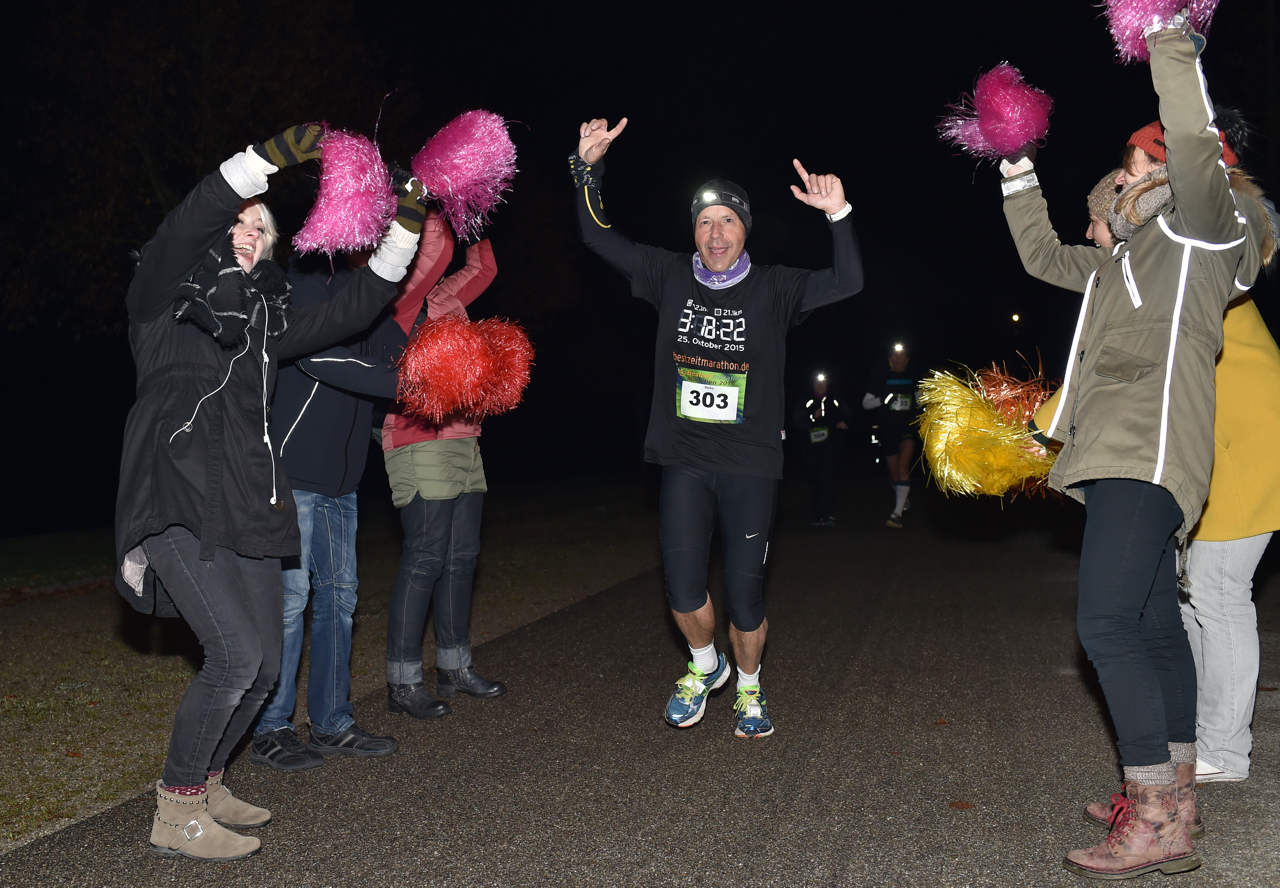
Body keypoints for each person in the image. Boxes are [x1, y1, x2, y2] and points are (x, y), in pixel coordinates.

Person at [1002, 17, 1275, 879]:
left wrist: (1165, 36)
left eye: (1134, 165)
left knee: (1106, 625)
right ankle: (1179, 800)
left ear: (1175, 170)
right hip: (1134, 456)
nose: (1119, 179)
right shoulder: (1132, 259)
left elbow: (1191, 139)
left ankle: (1152, 813)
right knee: (1156, 629)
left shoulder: (1201, 232)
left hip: (1146, 453)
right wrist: (1014, 159)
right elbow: (1044, 253)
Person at [114, 127, 427, 860]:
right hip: (175, 495)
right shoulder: (159, 298)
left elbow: (355, 308)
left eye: (264, 227)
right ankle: (176, 807)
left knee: (261, 666)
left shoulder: (263, 325)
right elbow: (189, 217)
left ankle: (212, 778)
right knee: (232, 654)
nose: (252, 232)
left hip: (250, 501)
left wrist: (406, 223)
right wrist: (269, 160)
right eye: (241, 221)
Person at [571, 116, 864, 737]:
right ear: (694, 234)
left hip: (751, 461)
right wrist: (588, 170)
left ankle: (750, 687)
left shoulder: (775, 288)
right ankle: (706, 667)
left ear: (745, 230)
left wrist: (837, 214)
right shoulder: (667, 274)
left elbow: (848, 281)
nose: (714, 231)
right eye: (704, 221)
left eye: (727, 219)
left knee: (744, 596)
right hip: (684, 455)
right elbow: (597, 237)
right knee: (681, 587)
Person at [247, 247, 407, 772]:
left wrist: (451, 366)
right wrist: (406, 384)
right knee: (290, 603)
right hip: (293, 474)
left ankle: (333, 721)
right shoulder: (306, 281)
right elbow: (317, 355)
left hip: (344, 481)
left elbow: (401, 355)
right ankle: (272, 725)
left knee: (340, 600)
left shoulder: (375, 293)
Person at [381, 215, 508, 719]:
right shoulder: (399, 296)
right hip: (416, 439)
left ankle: (454, 668)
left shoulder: (446, 300)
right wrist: (440, 202)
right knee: (427, 555)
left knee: (462, 556)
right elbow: (435, 250)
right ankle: (402, 680)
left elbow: (484, 265)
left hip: (465, 437)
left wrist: (475, 215)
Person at [863, 344, 920, 528]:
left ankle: (896, 515)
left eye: (901, 355)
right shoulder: (881, 377)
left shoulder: (913, 378)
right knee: (894, 475)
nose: (898, 359)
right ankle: (902, 499)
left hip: (908, 429)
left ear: (906, 359)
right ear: (890, 359)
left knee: (904, 469)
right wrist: (884, 399)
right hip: (887, 431)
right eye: (894, 356)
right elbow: (866, 404)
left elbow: (921, 401)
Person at [791, 372, 852, 526]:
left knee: (826, 478)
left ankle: (828, 515)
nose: (820, 385)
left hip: (830, 447)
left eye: (823, 382)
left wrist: (843, 423)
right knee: (814, 480)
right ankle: (817, 516)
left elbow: (848, 415)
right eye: (817, 382)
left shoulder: (835, 399)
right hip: (810, 448)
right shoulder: (806, 401)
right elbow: (796, 421)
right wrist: (812, 417)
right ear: (812, 384)